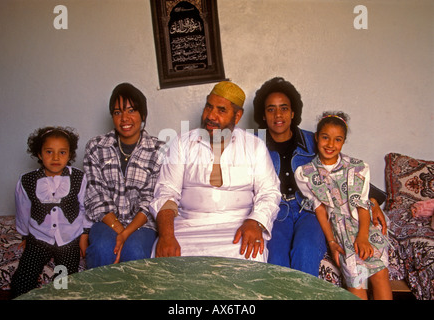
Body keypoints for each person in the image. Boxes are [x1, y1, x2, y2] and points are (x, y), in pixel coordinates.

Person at [253, 77, 388, 277]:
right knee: (276, 260)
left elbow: (345, 170)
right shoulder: (254, 143)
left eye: (284, 108)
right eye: (271, 109)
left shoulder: (314, 139)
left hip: (311, 210)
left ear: (293, 112)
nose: (278, 114)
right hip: (276, 211)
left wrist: (372, 200)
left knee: (305, 250)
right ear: (263, 115)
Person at [150, 81, 281, 262]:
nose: (211, 116)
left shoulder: (254, 146)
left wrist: (255, 221)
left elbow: (269, 192)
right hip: (187, 228)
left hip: (238, 227)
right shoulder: (182, 143)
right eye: (208, 107)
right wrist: (166, 235)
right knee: (166, 261)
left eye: (221, 110)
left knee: (252, 256)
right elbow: (166, 191)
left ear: (237, 116)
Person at [294, 111, 392, 300]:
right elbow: (320, 209)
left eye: (337, 139)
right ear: (316, 137)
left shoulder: (357, 168)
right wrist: (331, 242)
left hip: (364, 226)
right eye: (325, 137)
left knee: (380, 274)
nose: (330, 145)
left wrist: (363, 236)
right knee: (357, 281)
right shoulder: (306, 173)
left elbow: (362, 204)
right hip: (341, 231)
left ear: (343, 141)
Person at [84, 83, 165, 268]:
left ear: (142, 115)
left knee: (135, 250)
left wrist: (126, 234)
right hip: (106, 222)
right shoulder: (96, 147)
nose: (124, 118)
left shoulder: (158, 150)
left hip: (142, 225)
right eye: (117, 112)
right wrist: (119, 231)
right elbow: (96, 194)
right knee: (103, 248)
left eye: (131, 111)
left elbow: (150, 199)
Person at [12, 126, 91, 298]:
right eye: (49, 152)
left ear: (69, 155)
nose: (56, 158)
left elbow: (86, 208)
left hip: (69, 239)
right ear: (39, 154)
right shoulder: (27, 180)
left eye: (62, 152)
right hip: (39, 238)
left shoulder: (78, 178)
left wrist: (84, 235)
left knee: (64, 279)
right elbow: (23, 210)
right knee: (25, 276)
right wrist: (25, 236)